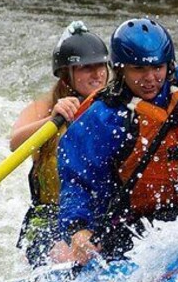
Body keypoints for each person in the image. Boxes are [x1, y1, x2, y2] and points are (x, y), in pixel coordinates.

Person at [51, 18, 178, 266]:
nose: (150, 78)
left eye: (157, 68)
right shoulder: (103, 118)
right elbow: (77, 181)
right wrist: (78, 229)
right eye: (138, 69)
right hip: (138, 222)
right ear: (120, 69)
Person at [10, 21, 110, 267]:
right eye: (86, 68)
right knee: (66, 256)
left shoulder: (116, 103)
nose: (97, 74)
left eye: (101, 66)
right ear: (67, 74)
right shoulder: (45, 106)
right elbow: (15, 144)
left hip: (95, 213)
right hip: (49, 217)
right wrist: (51, 120)